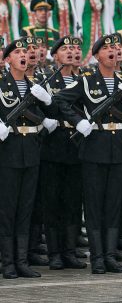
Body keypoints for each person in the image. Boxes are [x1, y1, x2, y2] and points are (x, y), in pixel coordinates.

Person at [55, 34, 122, 275]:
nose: (113, 52)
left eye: (116, 48)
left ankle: (110, 256)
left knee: (113, 205)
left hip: (118, 148)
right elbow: (60, 100)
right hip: (94, 147)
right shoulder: (87, 80)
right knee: (94, 206)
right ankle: (97, 258)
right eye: (107, 49)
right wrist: (78, 121)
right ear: (97, 56)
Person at [0, 38, 56, 279]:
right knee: (7, 209)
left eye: (25, 52)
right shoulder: (2, 85)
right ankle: (8, 262)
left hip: (31, 152)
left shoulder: (35, 86)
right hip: (9, 151)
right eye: (18, 52)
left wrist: (47, 100)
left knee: (25, 208)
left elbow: (52, 116)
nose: (23, 55)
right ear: (7, 59)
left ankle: (21, 261)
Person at [38, 37, 87, 271]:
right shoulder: (46, 81)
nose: (70, 53)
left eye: (73, 49)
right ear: (54, 56)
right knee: (53, 201)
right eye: (64, 49)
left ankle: (69, 251)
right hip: (54, 145)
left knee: (73, 202)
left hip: (77, 145)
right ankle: (55, 252)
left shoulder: (84, 80)